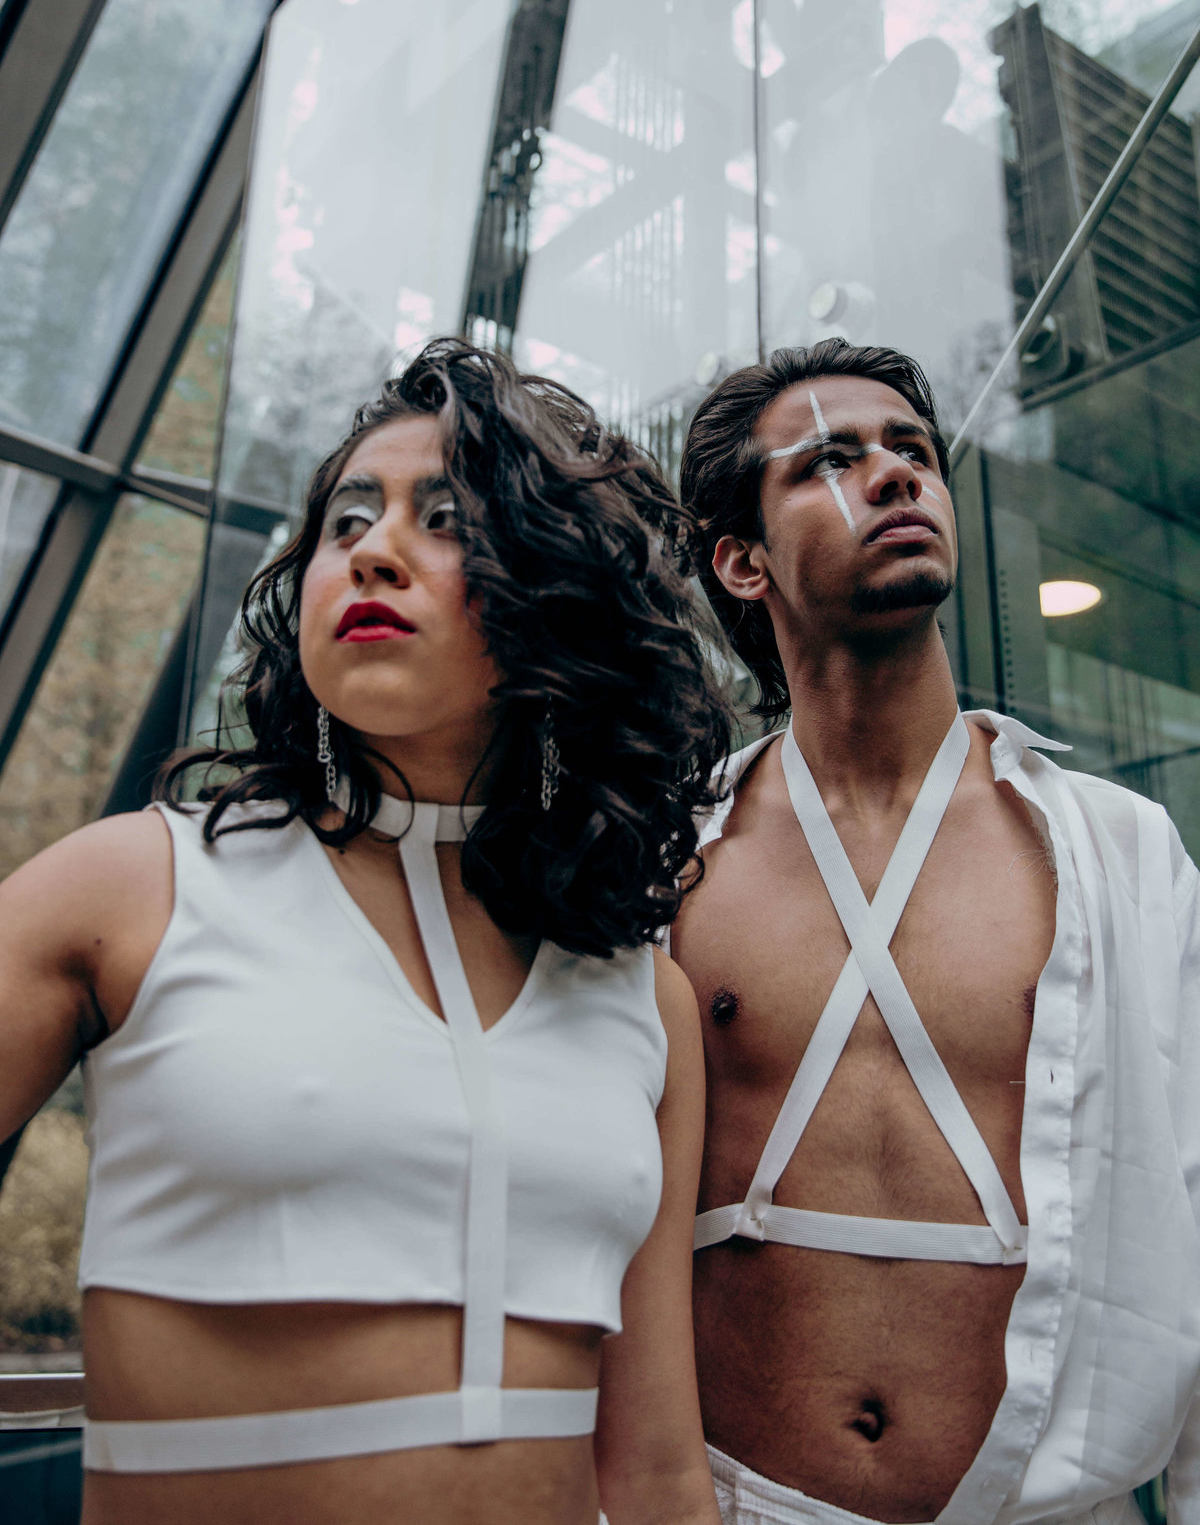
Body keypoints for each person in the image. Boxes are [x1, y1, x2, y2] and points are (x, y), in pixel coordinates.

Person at [0, 339, 730, 1525]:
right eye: (345, 522)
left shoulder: (645, 1000)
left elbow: (653, 1471)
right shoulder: (133, 887)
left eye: (444, 519)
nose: (372, 551)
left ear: (561, 592)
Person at [672, 336, 1200, 1525]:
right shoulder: (672, 864)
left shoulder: (1121, 856)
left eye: (913, 451)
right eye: (831, 462)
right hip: (741, 1502)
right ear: (742, 561)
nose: (897, 476)